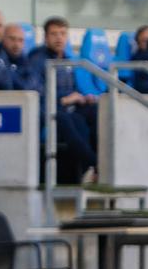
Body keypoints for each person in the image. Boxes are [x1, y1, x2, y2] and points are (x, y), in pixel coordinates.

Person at [28, 16, 98, 178]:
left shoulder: (67, 59)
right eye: (54, 34)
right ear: (45, 37)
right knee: (70, 120)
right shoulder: (37, 59)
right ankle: (93, 164)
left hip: (69, 107)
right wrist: (64, 100)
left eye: (62, 34)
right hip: (48, 110)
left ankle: (96, 164)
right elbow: (37, 92)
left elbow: (73, 88)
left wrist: (83, 98)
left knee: (95, 111)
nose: (59, 38)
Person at [2, 22, 36, 90]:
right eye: (12, 39)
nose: (16, 44)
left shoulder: (25, 60)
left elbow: (29, 85)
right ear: (3, 39)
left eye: (20, 40)